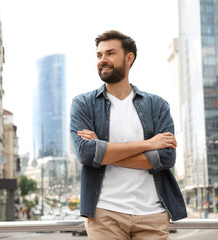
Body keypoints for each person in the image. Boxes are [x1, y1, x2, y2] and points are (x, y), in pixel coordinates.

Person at [70, 30, 187, 240]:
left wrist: (104, 150)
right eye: (99, 55)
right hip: (104, 214)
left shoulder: (157, 106)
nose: (102, 60)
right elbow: (86, 154)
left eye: (110, 53)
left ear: (129, 57)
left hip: (152, 214)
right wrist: (148, 144)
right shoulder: (83, 104)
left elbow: (166, 158)